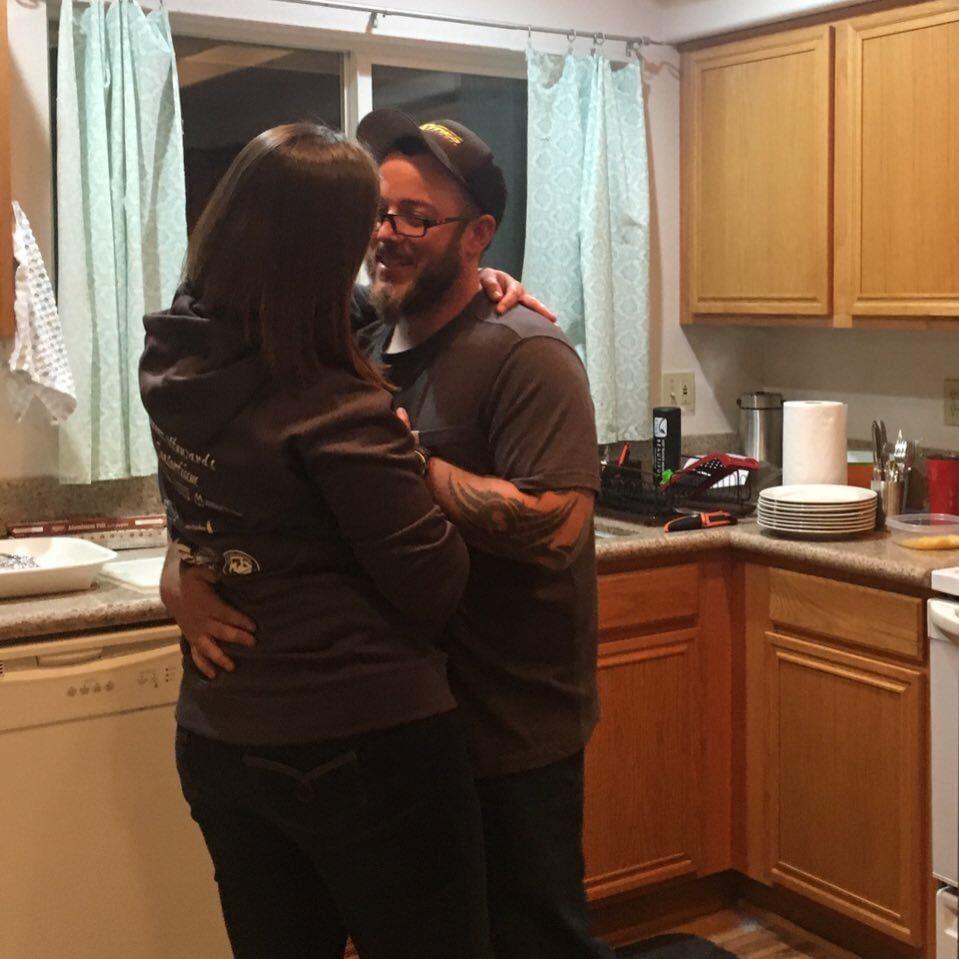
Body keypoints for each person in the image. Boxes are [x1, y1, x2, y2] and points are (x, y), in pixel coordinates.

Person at [165, 112, 614, 959]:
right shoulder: (358, 340)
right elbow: (245, 480)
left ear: (477, 234)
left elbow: (560, 526)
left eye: (417, 218)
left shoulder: (526, 351)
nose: (386, 235)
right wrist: (185, 569)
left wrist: (410, 467)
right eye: (377, 212)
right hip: (405, 740)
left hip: (506, 726)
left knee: (535, 941)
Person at [139, 122, 493, 959]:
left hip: (222, 734)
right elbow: (434, 584)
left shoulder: (177, 354)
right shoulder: (335, 405)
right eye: (366, 219)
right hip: (361, 738)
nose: (379, 237)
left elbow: (204, 507)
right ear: (322, 248)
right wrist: (409, 453)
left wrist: (480, 282)